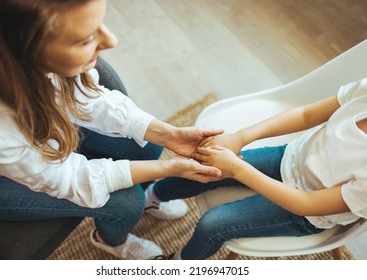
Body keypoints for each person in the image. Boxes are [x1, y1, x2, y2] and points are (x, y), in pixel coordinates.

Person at [0, 0, 224, 260]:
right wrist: (168, 168)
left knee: (149, 142)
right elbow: (68, 179)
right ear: (26, 52)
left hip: (36, 131)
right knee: (127, 203)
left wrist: (167, 133)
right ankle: (110, 240)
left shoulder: (19, 60)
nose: (111, 41)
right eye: (85, 40)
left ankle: (150, 197)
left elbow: (86, 99)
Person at [151, 77, 367, 260]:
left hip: (305, 212)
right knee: (202, 164)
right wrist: (240, 137)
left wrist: (238, 169)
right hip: (291, 158)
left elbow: (306, 205)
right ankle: (151, 198)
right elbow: (305, 115)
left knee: (212, 225)